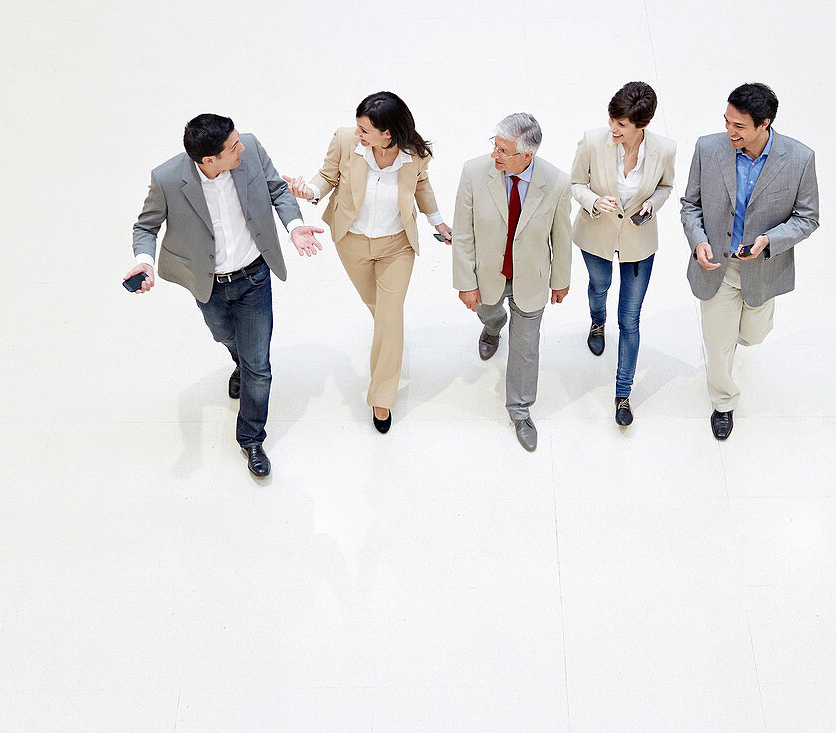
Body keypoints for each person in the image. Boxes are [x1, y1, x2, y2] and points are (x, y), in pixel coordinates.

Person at [125, 114, 325, 477]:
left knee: (259, 367)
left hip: (254, 277)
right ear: (208, 160)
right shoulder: (168, 178)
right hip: (209, 283)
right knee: (224, 335)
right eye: (233, 147)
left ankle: (251, 437)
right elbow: (146, 225)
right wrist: (144, 261)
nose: (242, 148)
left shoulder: (249, 150)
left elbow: (278, 189)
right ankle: (239, 360)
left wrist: (295, 227)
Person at [284, 91, 452, 434]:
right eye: (358, 127)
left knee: (389, 318)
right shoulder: (346, 141)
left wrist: (437, 222)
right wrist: (309, 192)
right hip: (352, 241)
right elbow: (327, 177)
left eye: (365, 129)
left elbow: (422, 186)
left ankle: (382, 396)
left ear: (387, 132)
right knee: (378, 309)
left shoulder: (416, 154)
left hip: (397, 246)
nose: (357, 133)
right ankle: (389, 345)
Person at [680, 82, 819, 440]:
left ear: (764, 124)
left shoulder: (800, 159)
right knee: (718, 342)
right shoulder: (708, 149)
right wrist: (698, 242)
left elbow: (808, 217)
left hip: (763, 266)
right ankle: (723, 401)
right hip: (716, 268)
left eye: (738, 126)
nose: (729, 131)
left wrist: (769, 241)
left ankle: (738, 336)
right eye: (727, 121)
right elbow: (690, 205)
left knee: (754, 336)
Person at [452, 113, 572, 451]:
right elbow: (462, 233)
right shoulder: (474, 173)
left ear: (527, 156)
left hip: (531, 278)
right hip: (488, 275)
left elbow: (561, 237)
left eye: (503, 151)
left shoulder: (558, 183)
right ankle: (493, 326)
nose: (495, 155)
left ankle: (520, 410)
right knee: (488, 311)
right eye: (495, 146)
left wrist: (560, 281)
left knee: (526, 347)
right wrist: (466, 281)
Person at [569, 81, 677, 426]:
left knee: (630, 319)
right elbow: (575, 184)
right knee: (599, 286)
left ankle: (622, 394)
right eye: (612, 120)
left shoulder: (665, 149)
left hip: (638, 243)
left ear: (641, 125)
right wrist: (594, 201)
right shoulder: (591, 140)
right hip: (596, 235)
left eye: (622, 125)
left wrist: (651, 205)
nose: (613, 129)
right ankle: (596, 321)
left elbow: (666, 186)